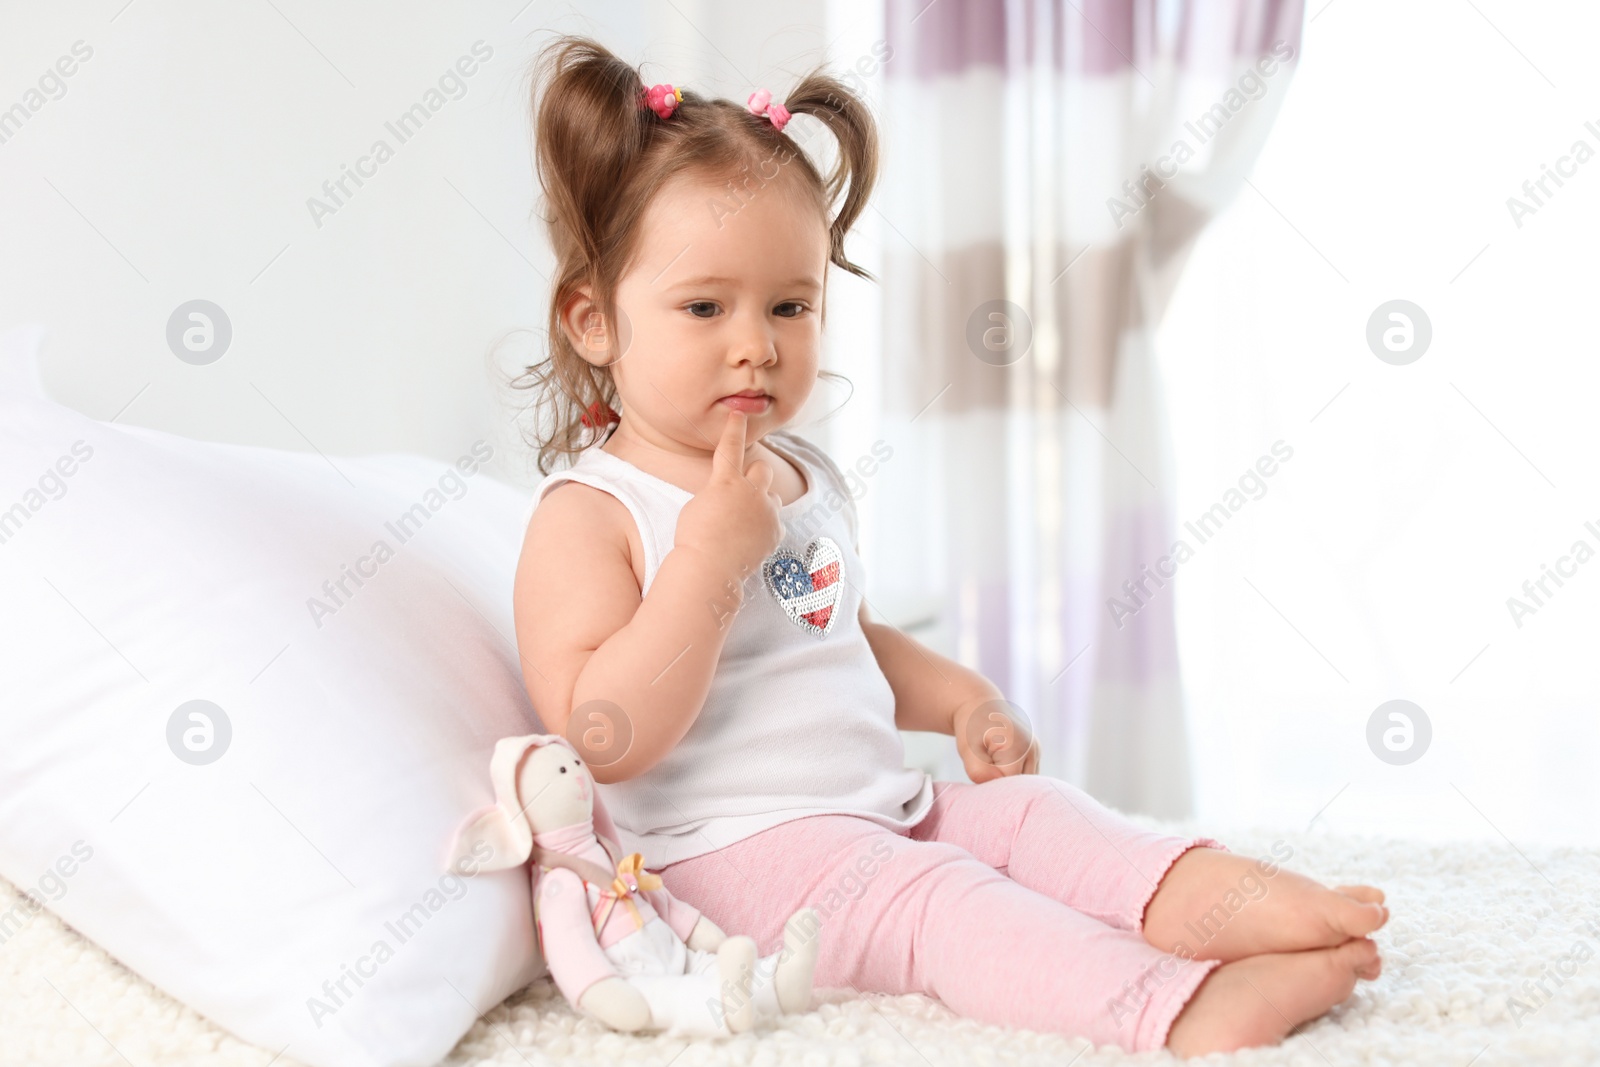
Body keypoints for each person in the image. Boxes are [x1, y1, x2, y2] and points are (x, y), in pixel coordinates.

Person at [508, 34, 1387, 1055]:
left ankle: (1243, 905)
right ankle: (1167, 1006)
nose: (757, 341)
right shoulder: (593, 511)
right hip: (731, 856)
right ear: (592, 320)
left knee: (1034, 816)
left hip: (883, 802)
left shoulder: (797, 476)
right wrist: (707, 562)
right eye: (705, 306)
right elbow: (604, 733)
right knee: (942, 901)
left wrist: (962, 697)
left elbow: (843, 639)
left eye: (791, 304)